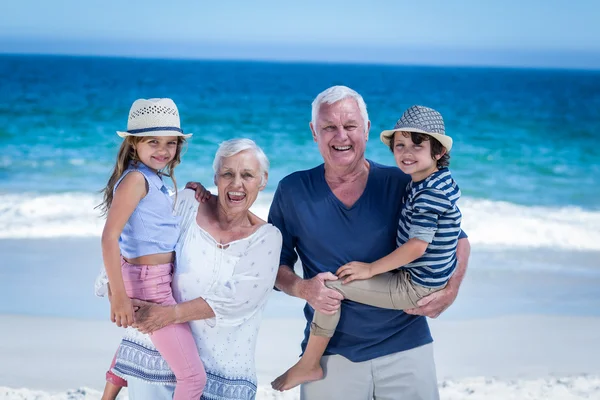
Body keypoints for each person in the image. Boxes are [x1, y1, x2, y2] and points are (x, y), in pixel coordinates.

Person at [268, 86, 471, 399]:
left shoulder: (404, 182)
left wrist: (450, 291)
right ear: (314, 132)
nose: (341, 137)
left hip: (406, 345)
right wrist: (303, 288)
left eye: (350, 126)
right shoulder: (292, 190)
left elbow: (458, 241)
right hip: (331, 355)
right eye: (329, 127)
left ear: (366, 129)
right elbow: (274, 266)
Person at [95, 138, 282, 400]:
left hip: (224, 374)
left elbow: (239, 300)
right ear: (215, 177)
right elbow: (138, 241)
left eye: (247, 175)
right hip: (154, 362)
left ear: (262, 181)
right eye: (228, 173)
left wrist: (168, 315)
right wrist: (118, 295)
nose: (236, 183)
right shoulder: (186, 203)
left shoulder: (267, 238)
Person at [97, 98, 206, 400]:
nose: (163, 150)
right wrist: (118, 296)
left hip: (148, 278)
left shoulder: (150, 179)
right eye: (153, 141)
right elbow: (109, 237)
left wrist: (187, 193)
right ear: (134, 144)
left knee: (139, 341)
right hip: (150, 285)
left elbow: (152, 222)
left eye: (170, 143)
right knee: (193, 378)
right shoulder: (135, 180)